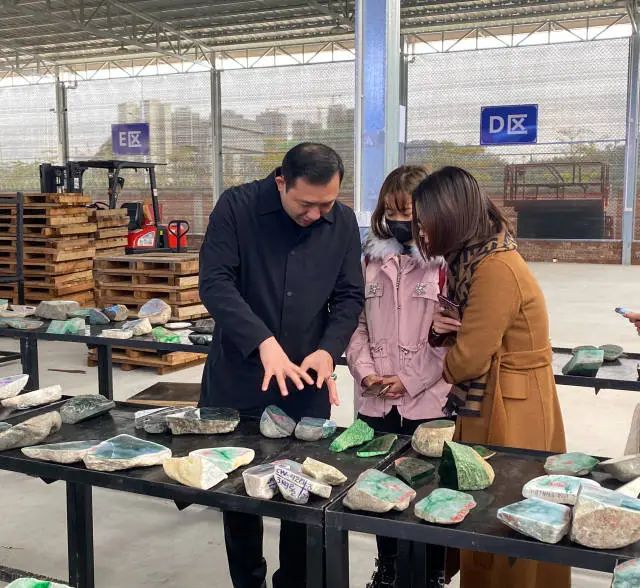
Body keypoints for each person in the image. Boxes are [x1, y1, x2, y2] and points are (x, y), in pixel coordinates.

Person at [198, 142, 364, 588]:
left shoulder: (342, 222)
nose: (316, 214)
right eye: (305, 204)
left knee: (303, 496)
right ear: (281, 182)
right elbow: (215, 283)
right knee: (238, 493)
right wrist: (262, 342)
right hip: (240, 375)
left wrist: (328, 350)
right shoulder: (237, 208)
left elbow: (349, 296)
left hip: (306, 381)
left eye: (326, 204)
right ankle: (247, 581)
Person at [412, 166, 569, 588]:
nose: (421, 231)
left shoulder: (494, 268)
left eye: (425, 221)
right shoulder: (475, 260)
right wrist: (451, 332)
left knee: (507, 520)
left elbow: (468, 360)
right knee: (489, 518)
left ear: (451, 216)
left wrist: (448, 356)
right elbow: (474, 336)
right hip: (496, 399)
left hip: (511, 410)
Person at [346, 165, 451, 588]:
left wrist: (409, 379)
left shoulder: (445, 266)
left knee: (430, 491)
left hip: (428, 401)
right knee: (379, 486)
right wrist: (366, 373)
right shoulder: (370, 263)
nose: (398, 222)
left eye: (407, 212)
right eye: (391, 212)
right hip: (376, 402)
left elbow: (452, 341)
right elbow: (356, 325)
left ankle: (432, 574)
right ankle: (387, 568)